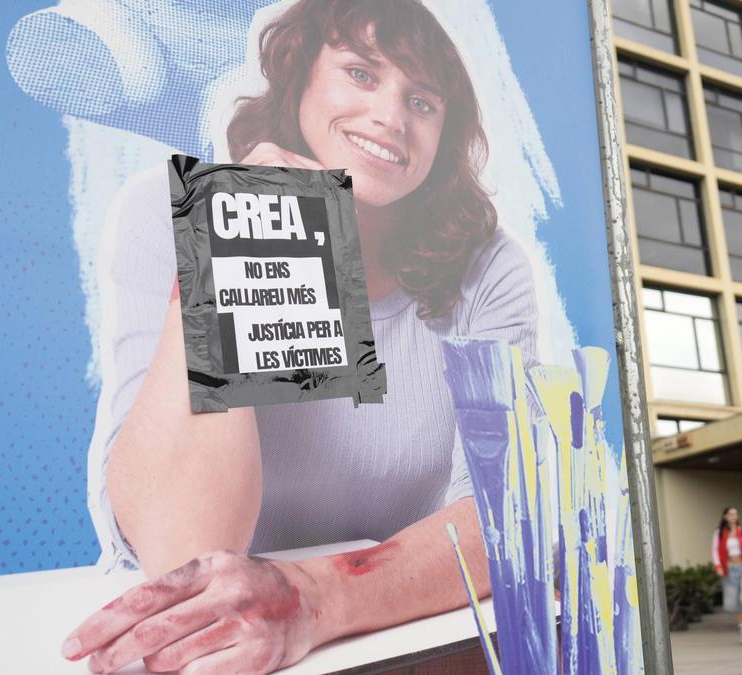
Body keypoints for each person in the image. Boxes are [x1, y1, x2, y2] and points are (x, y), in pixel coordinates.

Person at [62, 1, 541, 672]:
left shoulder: (487, 269)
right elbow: (184, 550)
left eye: (423, 102)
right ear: (298, 77)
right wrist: (242, 239)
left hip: (389, 643)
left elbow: (505, 518)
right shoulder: (161, 213)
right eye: (361, 73)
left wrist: (313, 598)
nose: (391, 117)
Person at [712, 506, 742, 645]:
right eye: (730, 514)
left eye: (735, 514)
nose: (733, 516)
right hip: (729, 570)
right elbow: (714, 550)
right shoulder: (720, 532)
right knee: (735, 602)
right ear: (725, 516)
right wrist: (718, 567)